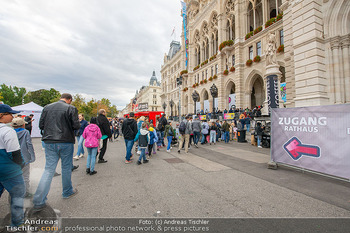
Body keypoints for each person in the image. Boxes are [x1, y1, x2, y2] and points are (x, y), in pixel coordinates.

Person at [33, 93, 80, 211]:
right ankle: (67, 191)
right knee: (66, 167)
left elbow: (41, 125)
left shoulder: (47, 107)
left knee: (48, 169)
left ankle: (39, 200)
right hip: (65, 141)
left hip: (49, 141)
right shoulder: (71, 108)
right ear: (69, 99)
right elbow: (76, 125)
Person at [0, 104, 25, 227]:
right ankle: (17, 223)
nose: (13, 116)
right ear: (2, 116)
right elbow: (15, 154)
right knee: (18, 194)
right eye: (10, 114)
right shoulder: (8, 131)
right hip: (9, 170)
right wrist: (21, 165)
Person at [12, 117, 36, 198]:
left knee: (15, 175)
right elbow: (29, 144)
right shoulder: (25, 132)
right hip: (24, 157)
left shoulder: (10, 132)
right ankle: (26, 192)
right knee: (25, 176)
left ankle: (16, 192)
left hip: (13, 158)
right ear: (23, 125)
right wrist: (32, 156)